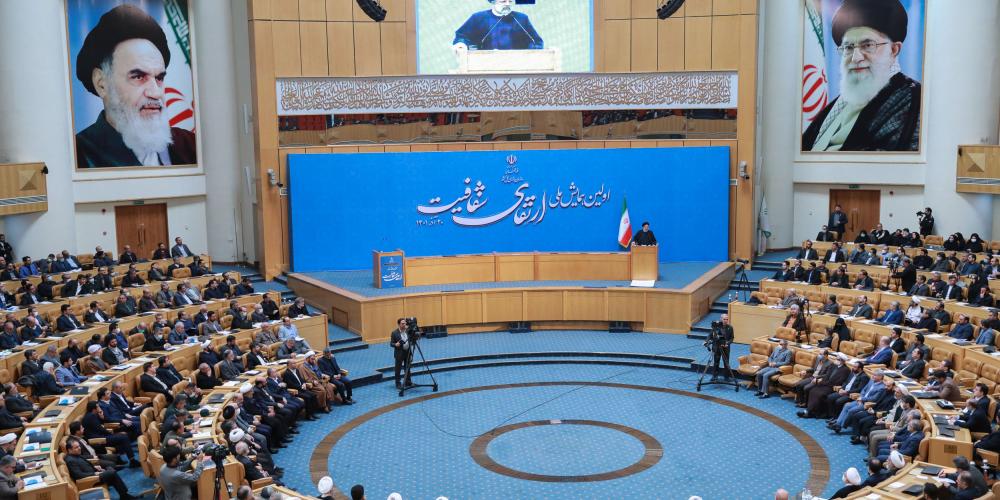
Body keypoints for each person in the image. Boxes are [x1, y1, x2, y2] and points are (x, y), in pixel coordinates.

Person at [74, 4, 195, 168]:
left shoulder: (190, 145)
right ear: (101, 84)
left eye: (159, 78)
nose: (156, 93)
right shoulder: (77, 156)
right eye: (138, 76)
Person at [802, 0, 920, 152]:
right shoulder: (840, 103)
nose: (855, 58)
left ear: (894, 50)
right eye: (848, 47)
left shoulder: (912, 98)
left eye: (868, 45)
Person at [453, 0, 543, 55]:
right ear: (493, 2)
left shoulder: (521, 18)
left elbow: (536, 41)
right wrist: (461, 45)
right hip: (485, 65)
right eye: (503, 1)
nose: (507, 4)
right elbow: (462, 36)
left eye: (510, 1)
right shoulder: (478, 18)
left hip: (516, 65)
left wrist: (531, 52)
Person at [64, 438, 136, 499]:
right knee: (112, 472)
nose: (79, 448)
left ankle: (124, 495)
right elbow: (79, 475)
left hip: (93, 474)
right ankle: (124, 496)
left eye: (79, 446)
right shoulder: (70, 460)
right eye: (76, 447)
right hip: (90, 480)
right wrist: (95, 473)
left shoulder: (75, 455)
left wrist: (95, 467)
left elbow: (85, 465)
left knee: (110, 470)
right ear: (69, 450)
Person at [391, 318, 415, 390]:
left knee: (407, 368)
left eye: (405, 323)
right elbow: (391, 343)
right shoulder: (394, 333)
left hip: (407, 352)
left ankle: (408, 382)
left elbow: (411, 339)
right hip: (399, 353)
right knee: (398, 369)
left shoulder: (408, 331)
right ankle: (398, 384)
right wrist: (395, 344)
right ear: (399, 324)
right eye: (402, 323)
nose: (404, 325)